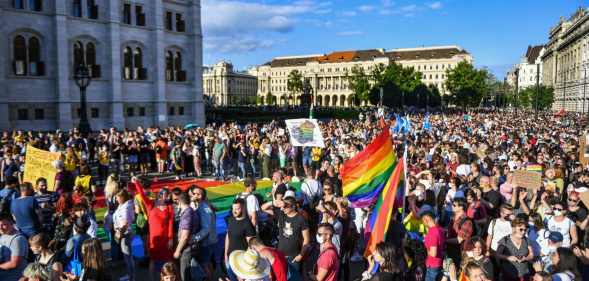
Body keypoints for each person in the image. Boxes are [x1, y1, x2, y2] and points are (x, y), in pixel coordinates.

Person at [132, 178, 174, 281]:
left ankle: (169, 278)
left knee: (168, 261)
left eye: (165, 194)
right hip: (154, 239)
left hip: (165, 239)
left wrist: (170, 238)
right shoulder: (150, 204)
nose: (162, 195)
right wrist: (136, 182)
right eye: (161, 193)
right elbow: (141, 194)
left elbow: (170, 224)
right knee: (153, 260)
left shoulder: (169, 207)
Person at [275, 197, 310, 271]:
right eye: (282, 206)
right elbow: (264, 208)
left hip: (294, 257)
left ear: (293, 206)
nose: (283, 208)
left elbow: (306, 239)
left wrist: (300, 255)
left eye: (285, 206)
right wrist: (283, 203)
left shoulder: (301, 219)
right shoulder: (282, 215)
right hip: (281, 255)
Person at [225, 198, 257, 281]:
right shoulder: (231, 220)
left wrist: (245, 266)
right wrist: (225, 254)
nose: (234, 211)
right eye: (233, 208)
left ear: (243, 208)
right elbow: (228, 237)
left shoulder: (247, 224)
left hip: (241, 260)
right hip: (229, 257)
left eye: (237, 209)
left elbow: (252, 245)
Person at [190, 186, 217, 280]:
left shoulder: (204, 208)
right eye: (194, 194)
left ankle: (210, 278)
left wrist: (194, 238)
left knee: (204, 264)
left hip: (207, 241)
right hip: (209, 239)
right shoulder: (202, 205)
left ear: (203, 196)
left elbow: (206, 229)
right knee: (208, 262)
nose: (196, 196)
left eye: (198, 194)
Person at [173, 192, 199, 281]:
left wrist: (177, 251)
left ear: (179, 202)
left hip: (186, 248)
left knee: (185, 274)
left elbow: (184, 236)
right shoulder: (191, 211)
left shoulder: (187, 214)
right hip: (191, 246)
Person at [113, 190, 135, 281]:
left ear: (122, 197)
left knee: (128, 257)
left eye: (117, 197)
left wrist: (119, 233)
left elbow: (125, 223)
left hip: (125, 234)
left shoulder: (126, 207)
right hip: (123, 233)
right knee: (127, 256)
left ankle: (131, 277)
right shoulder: (122, 205)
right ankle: (130, 276)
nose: (116, 199)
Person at [0, 214, 28, 281]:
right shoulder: (3, 235)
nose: (0, 228)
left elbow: (14, 263)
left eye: (4, 225)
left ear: (12, 223)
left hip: (14, 277)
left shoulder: (17, 239)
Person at [420, 208, 445, 281]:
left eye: (422, 220)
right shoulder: (439, 229)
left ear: (426, 219)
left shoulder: (432, 232)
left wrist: (425, 249)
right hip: (438, 264)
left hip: (432, 265)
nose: (423, 223)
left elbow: (433, 253)